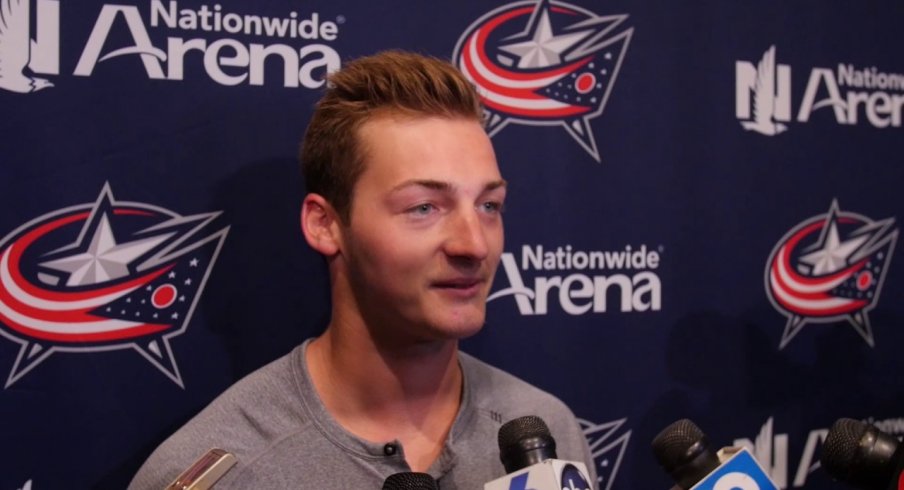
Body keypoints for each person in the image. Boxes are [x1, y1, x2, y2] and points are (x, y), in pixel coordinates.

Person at [129, 50, 596, 489]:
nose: (474, 244)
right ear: (325, 224)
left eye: (489, 205)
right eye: (424, 207)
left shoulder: (544, 431)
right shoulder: (225, 469)